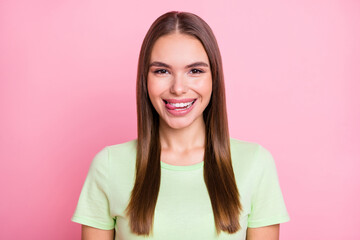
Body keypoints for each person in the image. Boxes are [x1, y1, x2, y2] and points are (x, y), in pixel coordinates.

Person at [72, 11, 290, 240]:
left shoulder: (256, 163)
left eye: (195, 71)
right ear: (145, 79)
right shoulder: (108, 166)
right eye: (162, 71)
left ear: (213, 78)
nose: (178, 88)